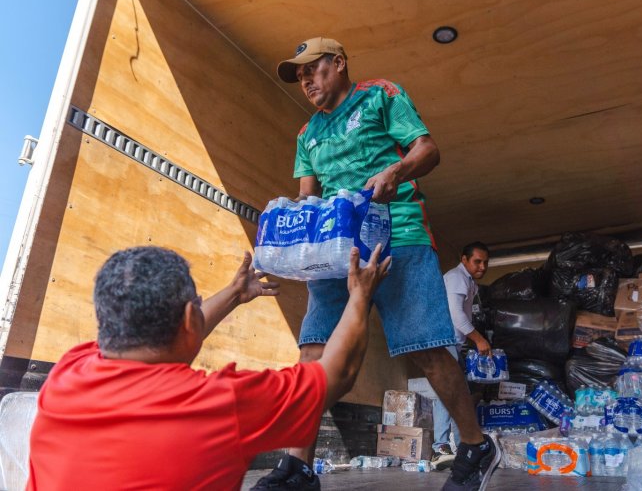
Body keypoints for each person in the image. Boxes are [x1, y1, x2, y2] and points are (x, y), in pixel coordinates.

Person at [253, 37, 500, 491]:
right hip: (335, 253)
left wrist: (395, 172)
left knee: (424, 348)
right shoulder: (306, 135)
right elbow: (309, 199)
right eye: (300, 75)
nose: (306, 80)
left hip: (398, 237)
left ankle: (475, 445)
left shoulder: (380, 95)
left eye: (314, 68)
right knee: (313, 351)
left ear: (340, 63)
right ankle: (298, 466)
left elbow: (427, 149)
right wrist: (286, 240)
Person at [27, 244, 390, 490]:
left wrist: (234, 293)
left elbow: (180, 333)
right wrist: (360, 293)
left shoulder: (68, 371)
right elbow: (337, 373)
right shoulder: (220, 406)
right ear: (189, 318)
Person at [431, 242, 491, 470]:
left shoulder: (469, 282)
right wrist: (478, 339)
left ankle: (465, 445)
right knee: (449, 391)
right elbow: (456, 315)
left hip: (453, 343)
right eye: (477, 261)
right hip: (444, 339)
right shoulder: (457, 277)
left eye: (485, 262)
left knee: (459, 394)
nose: (482, 266)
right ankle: (440, 446)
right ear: (464, 260)